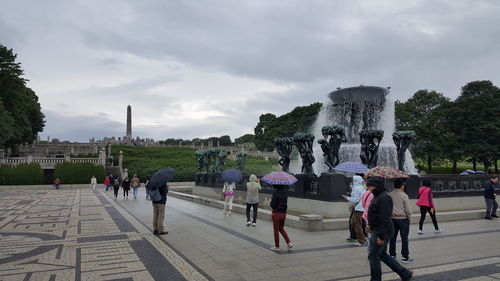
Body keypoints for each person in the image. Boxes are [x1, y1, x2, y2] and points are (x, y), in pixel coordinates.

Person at [365, 177, 413, 281]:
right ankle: (404, 273)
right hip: (378, 228)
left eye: (369, 185)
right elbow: (376, 213)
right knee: (381, 254)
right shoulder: (378, 195)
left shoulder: (383, 198)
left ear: (376, 185)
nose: (367, 187)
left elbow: (385, 218)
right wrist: (370, 224)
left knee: (373, 257)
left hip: (381, 230)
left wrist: (381, 236)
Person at [389, 179, 413, 263]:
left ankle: (392, 255)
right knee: (404, 238)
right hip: (403, 219)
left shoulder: (390, 195)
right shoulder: (404, 195)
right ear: (402, 186)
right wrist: (409, 217)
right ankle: (405, 257)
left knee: (392, 238)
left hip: (392, 219)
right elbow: (408, 209)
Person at [343, 175, 367, 246]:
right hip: (361, 208)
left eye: (353, 180)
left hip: (358, 209)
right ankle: (363, 237)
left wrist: (347, 198)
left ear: (356, 181)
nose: (351, 182)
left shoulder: (356, 188)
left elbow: (355, 199)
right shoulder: (363, 187)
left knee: (356, 224)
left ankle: (362, 241)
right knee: (354, 223)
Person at [270, 185, 293, 251]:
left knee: (276, 230)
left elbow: (273, 205)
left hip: (277, 214)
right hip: (284, 214)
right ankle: (289, 243)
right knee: (281, 229)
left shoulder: (275, 193)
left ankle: (277, 246)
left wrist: (271, 201)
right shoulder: (285, 193)